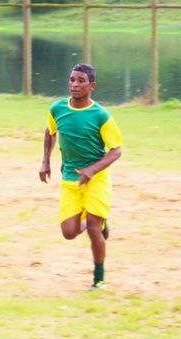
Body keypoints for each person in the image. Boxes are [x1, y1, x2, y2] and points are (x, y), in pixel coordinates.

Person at [39, 63, 123, 291]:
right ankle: (94, 218)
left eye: (80, 81)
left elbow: (116, 150)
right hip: (70, 178)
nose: (74, 85)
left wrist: (92, 170)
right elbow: (50, 131)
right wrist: (46, 161)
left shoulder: (101, 116)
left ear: (91, 86)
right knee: (69, 232)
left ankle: (99, 279)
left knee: (95, 228)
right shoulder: (57, 109)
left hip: (97, 178)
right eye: (72, 80)